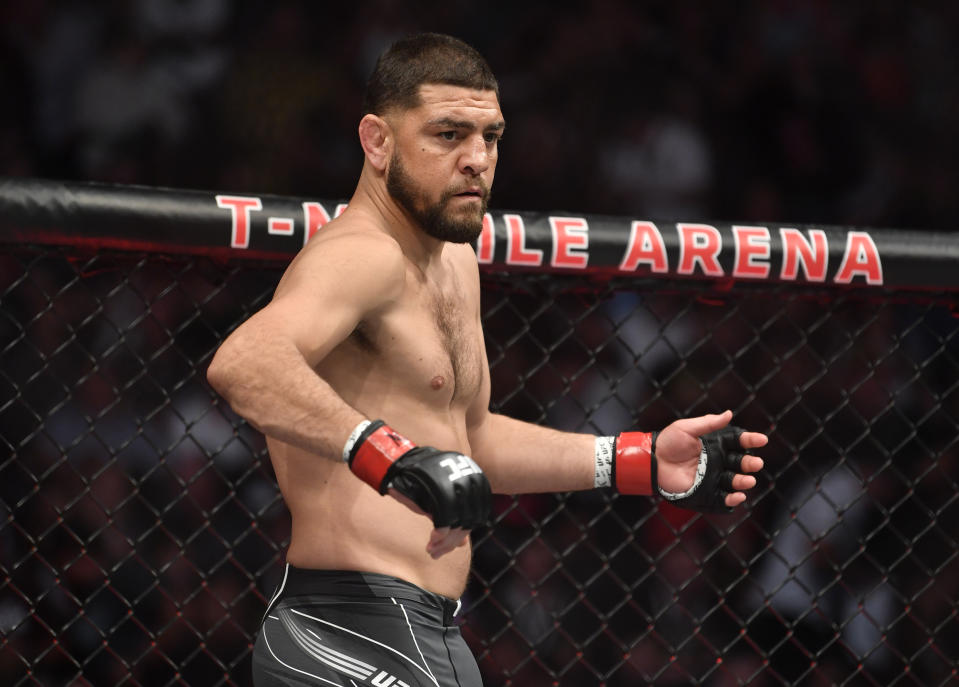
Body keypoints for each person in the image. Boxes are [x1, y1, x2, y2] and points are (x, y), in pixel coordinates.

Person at [206, 32, 767, 687]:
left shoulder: (453, 261)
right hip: (348, 628)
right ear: (376, 140)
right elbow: (243, 361)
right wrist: (390, 455)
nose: (476, 159)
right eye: (447, 134)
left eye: (490, 136)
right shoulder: (359, 255)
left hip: (430, 627)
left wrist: (637, 461)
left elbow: (469, 441)